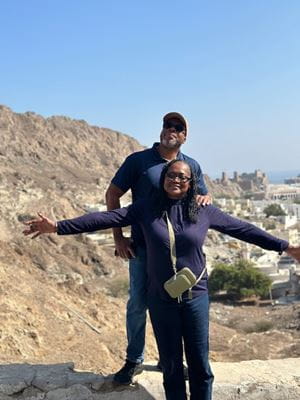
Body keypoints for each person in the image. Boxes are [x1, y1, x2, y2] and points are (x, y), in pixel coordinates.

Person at [23, 160, 300, 400]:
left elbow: (244, 229)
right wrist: (58, 227)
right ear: (163, 179)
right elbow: (103, 219)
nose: (176, 180)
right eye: (171, 175)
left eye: (183, 177)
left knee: (200, 367)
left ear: (191, 183)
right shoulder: (145, 209)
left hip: (196, 298)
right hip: (162, 299)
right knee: (171, 367)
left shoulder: (204, 211)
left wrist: (284, 246)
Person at [105, 112, 211, 384]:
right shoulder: (138, 162)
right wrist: (119, 237)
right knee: (138, 303)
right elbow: (113, 194)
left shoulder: (191, 166)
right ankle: (134, 360)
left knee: (175, 305)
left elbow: (201, 199)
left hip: (177, 257)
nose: (171, 130)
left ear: (185, 137)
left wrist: (206, 197)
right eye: (167, 125)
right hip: (142, 249)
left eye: (178, 127)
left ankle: (170, 360)